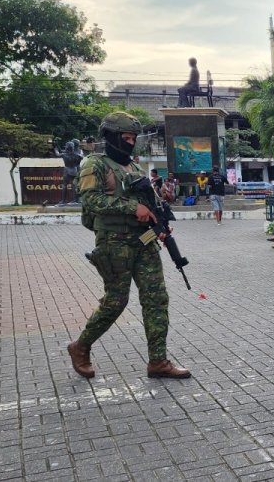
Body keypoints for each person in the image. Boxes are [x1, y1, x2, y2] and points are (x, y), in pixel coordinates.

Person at [67, 111, 191, 381]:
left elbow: (150, 203)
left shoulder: (134, 168)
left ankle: (158, 361)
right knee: (116, 301)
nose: (131, 143)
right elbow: (90, 200)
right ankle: (80, 346)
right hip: (114, 244)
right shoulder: (95, 164)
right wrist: (133, 208)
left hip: (144, 242)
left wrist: (158, 225)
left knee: (156, 299)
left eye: (134, 138)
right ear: (111, 137)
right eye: (126, 138)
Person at [55, 138, 84, 204]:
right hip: (74, 170)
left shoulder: (64, 155)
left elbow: (58, 153)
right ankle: (75, 200)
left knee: (65, 185)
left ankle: (63, 200)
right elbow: (81, 157)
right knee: (74, 186)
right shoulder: (77, 155)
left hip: (67, 171)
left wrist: (55, 148)